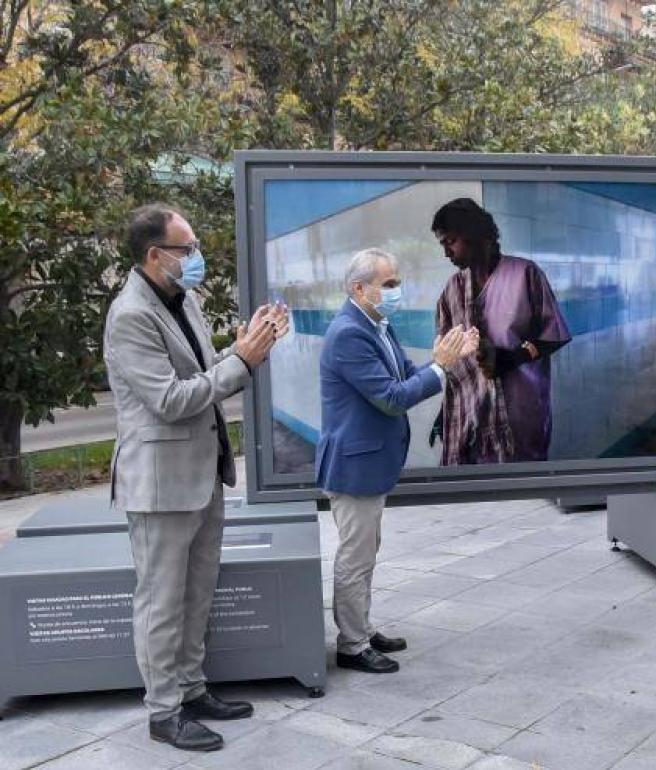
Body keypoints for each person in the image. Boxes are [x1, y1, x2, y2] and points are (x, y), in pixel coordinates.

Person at [104, 203, 289, 752]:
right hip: (160, 483)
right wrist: (243, 361)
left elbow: (203, 373)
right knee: (161, 601)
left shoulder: (184, 301)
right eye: (188, 249)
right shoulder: (131, 314)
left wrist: (242, 347)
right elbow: (169, 399)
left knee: (198, 592)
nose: (197, 257)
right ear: (156, 254)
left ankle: (192, 687)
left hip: (201, 473)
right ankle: (164, 711)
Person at [318, 248, 478, 675]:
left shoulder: (377, 325)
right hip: (354, 466)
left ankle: (362, 629)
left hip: (370, 462)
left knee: (367, 552)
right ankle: (352, 645)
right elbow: (391, 399)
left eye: (396, 282)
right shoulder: (349, 334)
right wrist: (440, 367)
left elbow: (409, 378)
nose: (396, 290)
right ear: (359, 288)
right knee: (355, 556)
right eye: (388, 284)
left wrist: (449, 359)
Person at [432, 198, 572, 464]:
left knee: (522, 490)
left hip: (518, 414)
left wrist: (509, 359)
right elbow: (450, 362)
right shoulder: (451, 291)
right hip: (469, 420)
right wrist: (445, 413)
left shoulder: (525, 275)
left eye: (450, 242)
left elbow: (555, 335)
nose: (446, 253)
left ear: (474, 234)